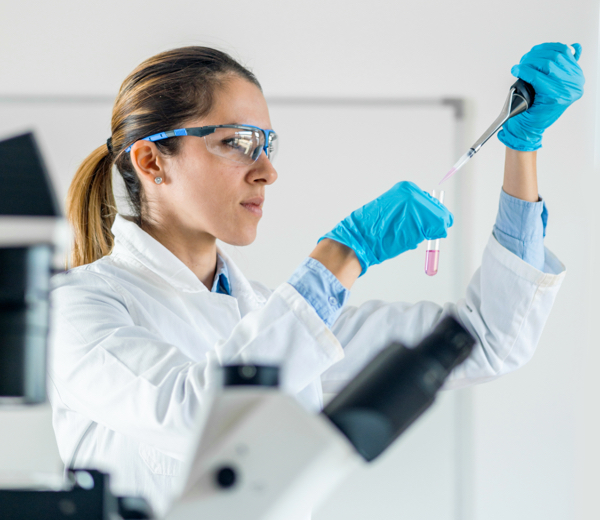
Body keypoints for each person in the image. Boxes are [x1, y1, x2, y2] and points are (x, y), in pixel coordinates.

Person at [47, 43, 584, 515]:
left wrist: (523, 146)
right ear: (152, 161)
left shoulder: (268, 315)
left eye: (268, 144)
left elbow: (489, 340)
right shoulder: (76, 307)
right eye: (237, 141)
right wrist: (343, 254)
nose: (266, 170)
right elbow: (197, 415)